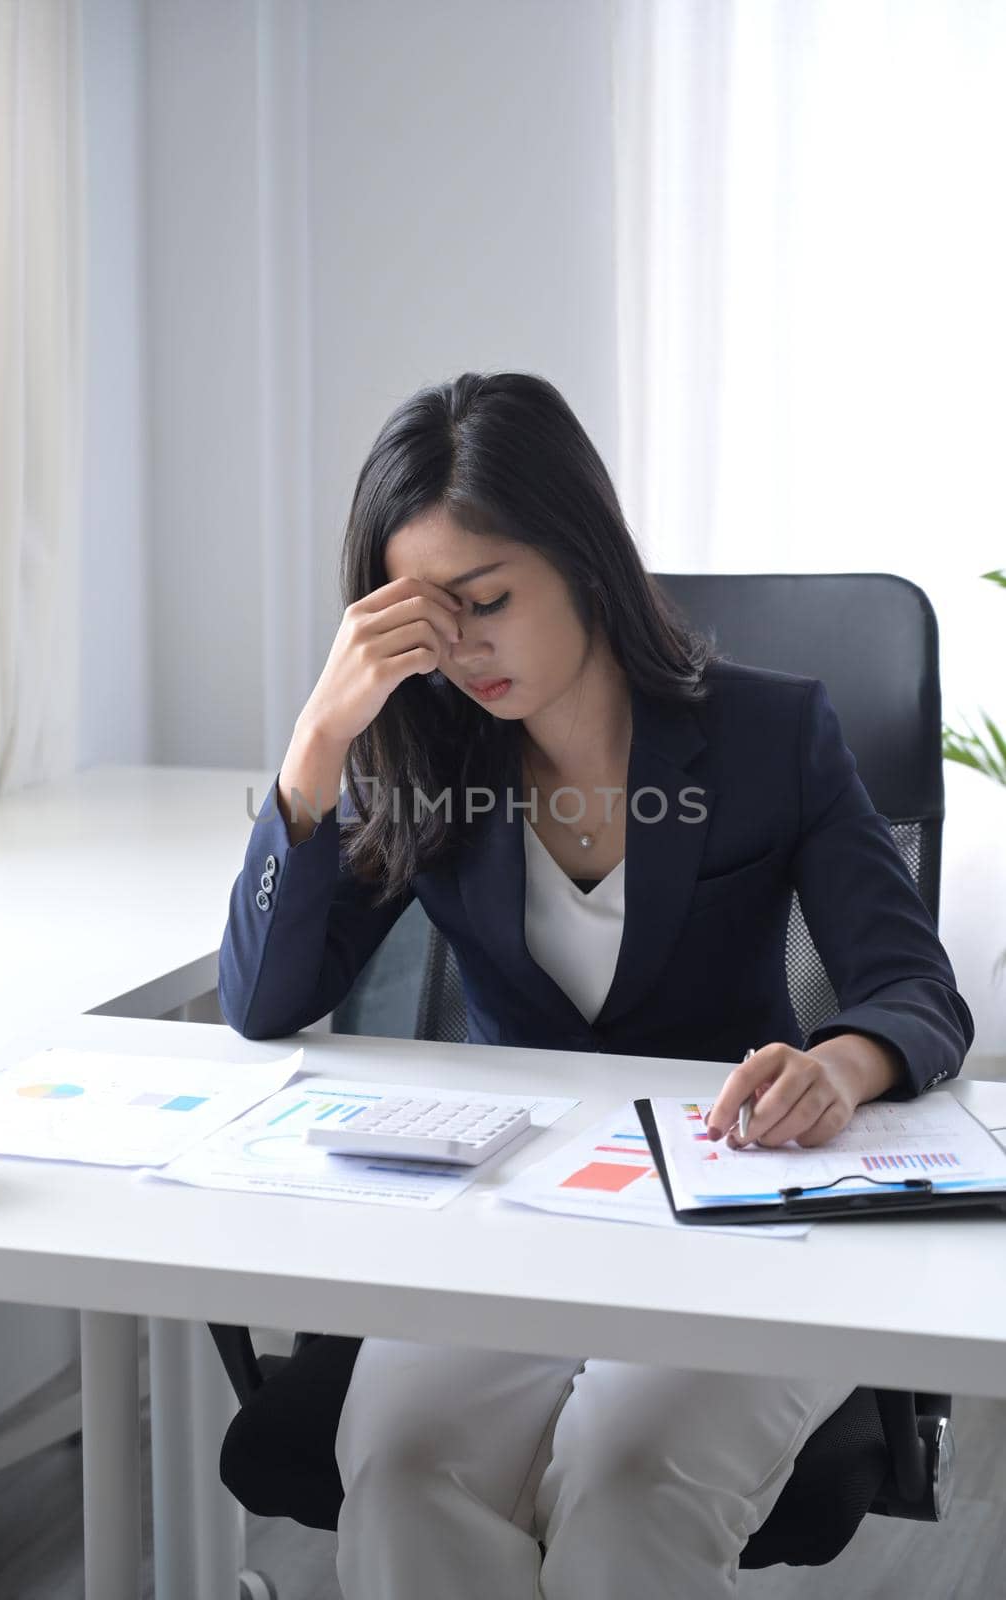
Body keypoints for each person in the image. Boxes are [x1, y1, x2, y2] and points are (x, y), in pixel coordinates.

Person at [217, 371, 974, 1599]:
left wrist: (836, 1066)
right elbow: (264, 997)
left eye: (487, 601)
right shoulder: (432, 753)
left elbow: (912, 988)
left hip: (741, 1207)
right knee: (405, 1468)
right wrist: (320, 739)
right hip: (517, 1221)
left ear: (582, 557)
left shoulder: (769, 735)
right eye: (425, 618)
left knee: (628, 1485)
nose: (460, 648)